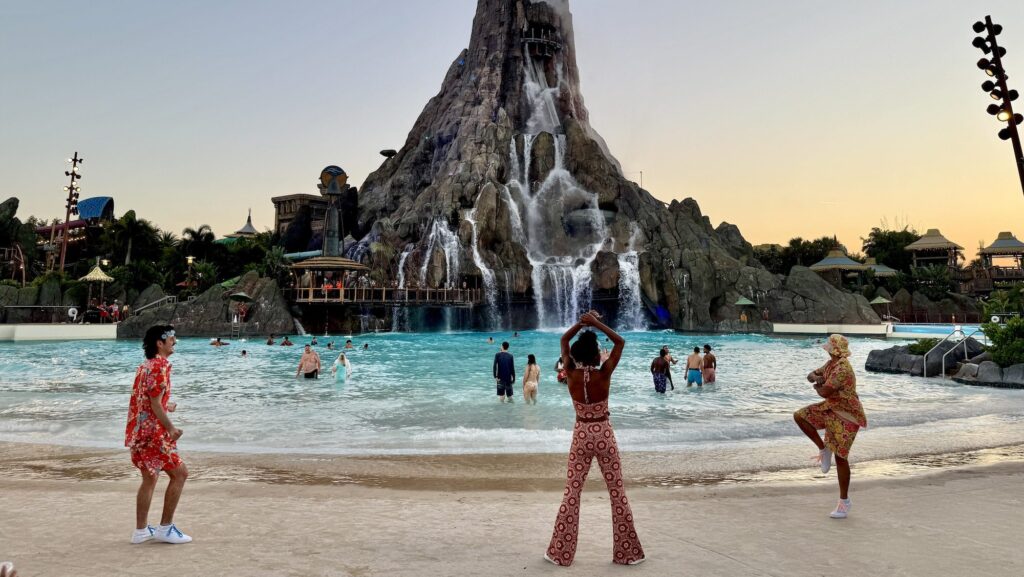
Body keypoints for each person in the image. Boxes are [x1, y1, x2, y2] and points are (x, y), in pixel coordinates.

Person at [545, 311, 644, 566]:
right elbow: (620, 342)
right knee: (616, 491)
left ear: (577, 355)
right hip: (603, 433)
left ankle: (559, 554)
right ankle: (628, 554)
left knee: (572, 492)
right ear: (596, 354)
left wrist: (581, 323)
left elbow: (564, 342)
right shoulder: (604, 374)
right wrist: (597, 323)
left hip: (581, 434)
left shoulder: (570, 373)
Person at [125, 325, 192, 544]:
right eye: (171, 339)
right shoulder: (160, 365)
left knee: (149, 478)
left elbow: (146, 399)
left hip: (139, 433)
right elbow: (153, 403)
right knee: (180, 474)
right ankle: (165, 528)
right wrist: (171, 428)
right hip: (154, 434)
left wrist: (166, 405)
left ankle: (141, 531)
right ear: (159, 343)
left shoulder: (145, 366)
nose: (175, 342)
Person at [793, 334, 867, 519]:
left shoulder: (842, 368)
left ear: (834, 349)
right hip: (831, 409)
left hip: (848, 415)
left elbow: (824, 391)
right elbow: (810, 375)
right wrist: (818, 380)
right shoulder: (830, 364)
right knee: (800, 416)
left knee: (841, 458)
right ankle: (823, 448)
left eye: (829, 346)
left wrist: (818, 385)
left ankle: (844, 502)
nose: (826, 348)